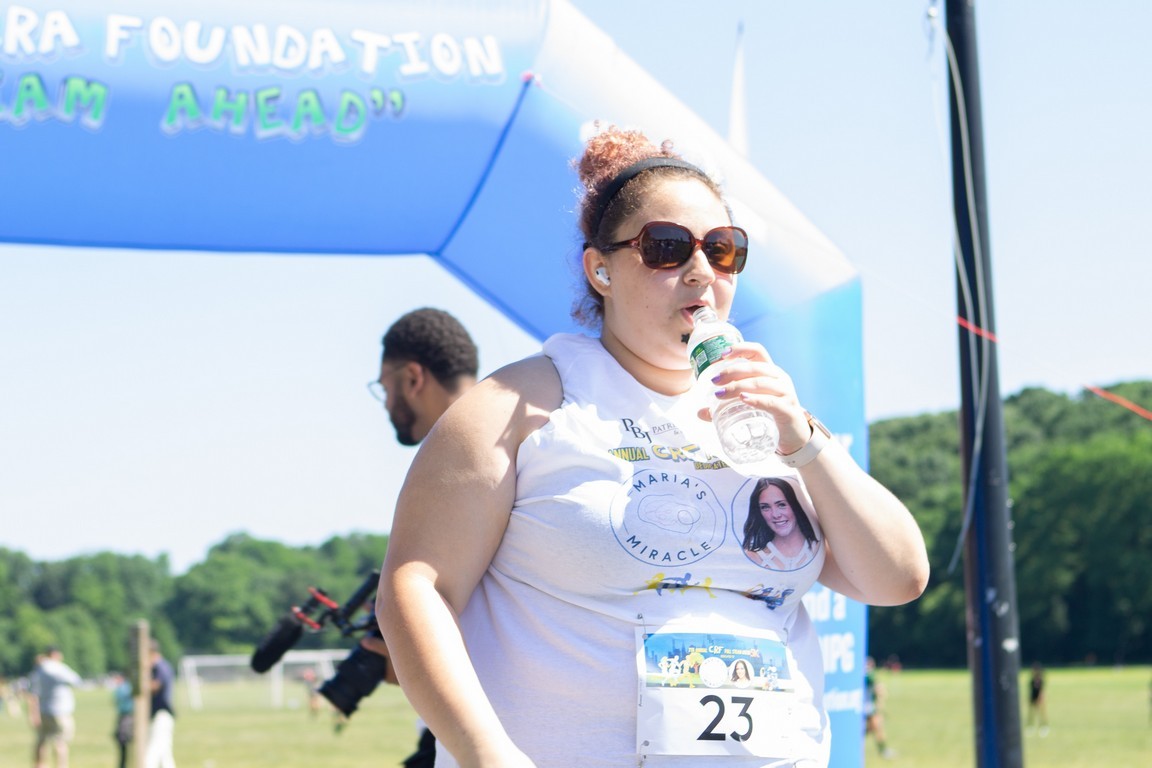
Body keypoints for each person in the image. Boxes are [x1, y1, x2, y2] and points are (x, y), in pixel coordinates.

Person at [378, 125, 929, 767]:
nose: (700, 271)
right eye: (667, 247)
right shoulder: (517, 407)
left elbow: (897, 577)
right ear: (600, 269)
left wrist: (804, 439)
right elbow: (417, 586)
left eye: (723, 250)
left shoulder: (768, 418)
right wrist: (488, 755)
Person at [364, 307, 479, 768]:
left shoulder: (462, 461)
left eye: (385, 386)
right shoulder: (527, 440)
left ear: (413, 378)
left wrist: (415, 656)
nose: (385, 402)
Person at [742, 476, 821, 571]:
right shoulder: (754, 557)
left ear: (796, 505)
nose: (775, 515)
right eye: (765, 507)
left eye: (781, 505)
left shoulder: (818, 548)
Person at [28, 646, 82, 768]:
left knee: (42, 741)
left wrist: (33, 713)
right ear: (56, 654)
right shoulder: (57, 668)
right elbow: (76, 680)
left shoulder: (38, 669)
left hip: (43, 710)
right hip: (60, 711)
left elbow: (33, 692)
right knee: (60, 742)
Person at [143, 641, 176, 768]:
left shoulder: (160, 667)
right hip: (160, 715)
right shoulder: (160, 666)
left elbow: (156, 686)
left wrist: (141, 683)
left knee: (152, 752)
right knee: (164, 755)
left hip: (161, 714)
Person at [863, 656, 895, 759]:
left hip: (867, 706)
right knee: (876, 727)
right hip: (867, 707)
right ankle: (883, 751)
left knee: (875, 728)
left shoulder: (865, 675)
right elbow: (878, 689)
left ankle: (883, 750)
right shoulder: (868, 676)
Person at [110, 671, 134, 768]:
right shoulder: (127, 686)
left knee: (123, 741)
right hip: (126, 716)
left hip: (126, 716)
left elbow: (115, 701)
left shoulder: (122, 688)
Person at [1027, 662, 1048, 736]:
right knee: (1031, 712)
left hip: (1039, 697)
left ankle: (1044, 725)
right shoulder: (1032, 680)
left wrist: (1041, 698)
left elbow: (1041, 690)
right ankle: (1030, 725)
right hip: (1033, 696)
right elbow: (1031, 689)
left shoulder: (1040, 680)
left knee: (1041, 712)